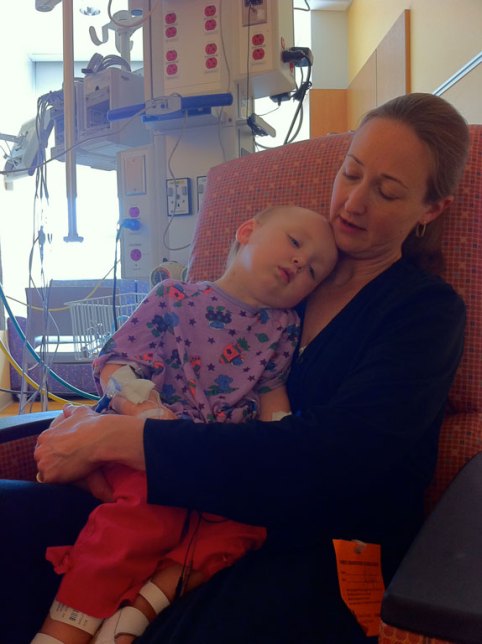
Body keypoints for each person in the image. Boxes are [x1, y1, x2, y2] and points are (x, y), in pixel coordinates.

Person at [0, 93, 470, 644]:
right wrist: (100, 426)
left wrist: (127, 440)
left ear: (431, 209)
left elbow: (334, 459)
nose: (353, 202)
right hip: (166, 498)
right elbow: (152, 361)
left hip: (304, 545)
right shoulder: (281, 283)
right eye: (351, 173)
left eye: (386, 191)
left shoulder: (424, 312)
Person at [31, 205, 339, 644]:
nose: (299, 261)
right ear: (247, 231)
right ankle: (63, 629)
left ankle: (138, 612)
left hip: (215, 466)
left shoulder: (284, 328)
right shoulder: (173, 298)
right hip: (142, 445)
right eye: (294, 242)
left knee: (251, 525)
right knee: (148, 516)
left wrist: (281, 451)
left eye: (313, 270)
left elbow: (272, 393)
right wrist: (151, 417)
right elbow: (116, 365)